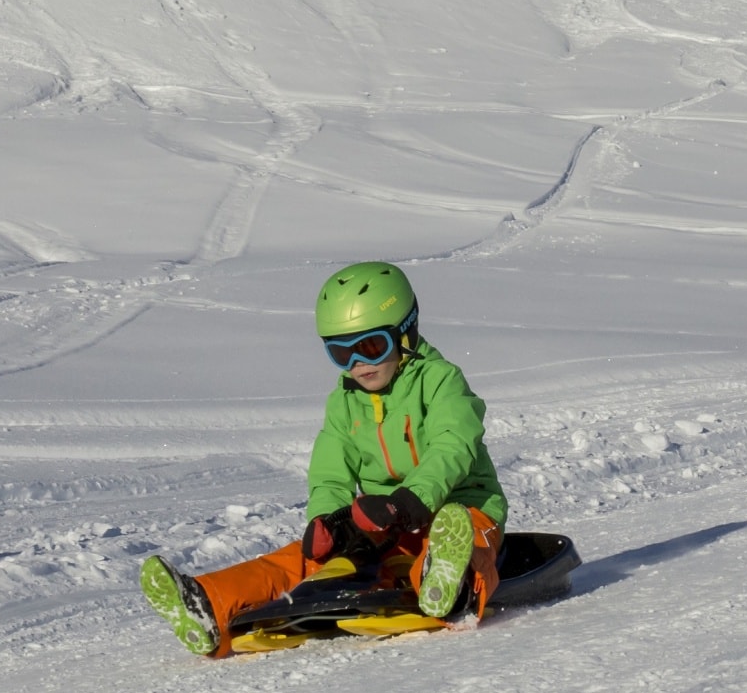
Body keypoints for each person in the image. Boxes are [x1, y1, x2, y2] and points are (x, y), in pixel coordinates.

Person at [140, 261, 508, 656]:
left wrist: (412, 501)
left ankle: (451, 586)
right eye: (340, 352)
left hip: (462, 507)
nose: (357, 364)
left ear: (406, 332)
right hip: (386, 519)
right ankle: (208, 603)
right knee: (302, 559)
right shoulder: (344, 402)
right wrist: (328, 519)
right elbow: (330, 469)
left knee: (465, 537)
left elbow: (453, 446)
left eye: (369, 347)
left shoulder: (441, 381)